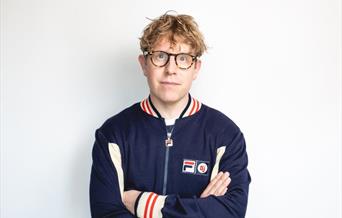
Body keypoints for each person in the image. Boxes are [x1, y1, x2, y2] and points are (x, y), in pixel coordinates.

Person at [90, 12, 251, 218]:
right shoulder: (113, 134)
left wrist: (145, 204)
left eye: (183, 58)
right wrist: (199, 208)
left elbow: (231, 212)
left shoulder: (225, 135)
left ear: (196, 68)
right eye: (160, 56)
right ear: (144, 64)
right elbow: (106, 214)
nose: (171, 69)